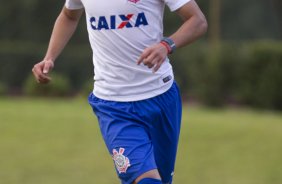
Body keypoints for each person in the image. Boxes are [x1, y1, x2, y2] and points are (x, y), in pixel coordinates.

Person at [32, 0, 207, 183]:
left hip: (161, 96)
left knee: (162, 180)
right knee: (147, 180)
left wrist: (166, 45)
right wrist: (49, 57)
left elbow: (197, 20)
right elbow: (68, 16)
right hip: (114, 105)